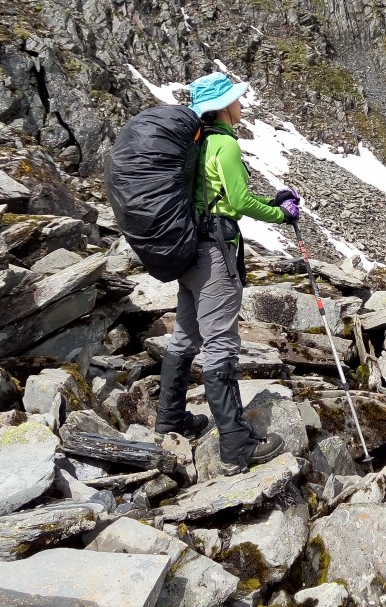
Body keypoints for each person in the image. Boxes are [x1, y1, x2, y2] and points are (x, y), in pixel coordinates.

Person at [155, 71, 300, 475]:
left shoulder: (195, 144)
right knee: (220, 342)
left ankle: (169, 420)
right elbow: (235, 201)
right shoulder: (225, 146)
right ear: (221, 107)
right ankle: (235, 444)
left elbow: (213, 194)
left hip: (187, 249)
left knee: (185, 336)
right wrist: (281, 214)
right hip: (216, 254)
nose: (242, 104)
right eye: (237, 99)